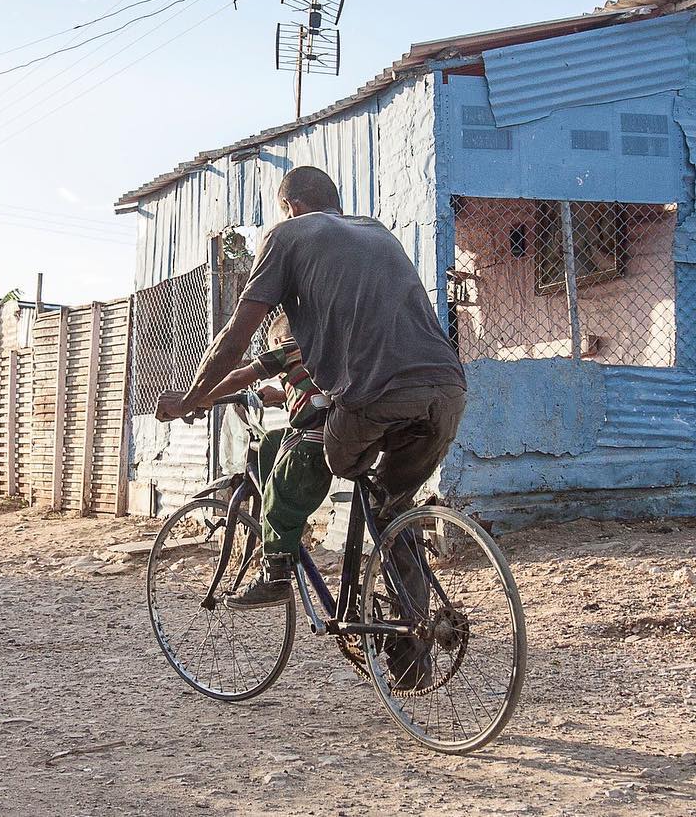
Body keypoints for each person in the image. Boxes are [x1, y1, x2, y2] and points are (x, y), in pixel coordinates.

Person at [157, 166, 467, 680]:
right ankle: (412, 651)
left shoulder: (288, 235)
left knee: (324, 453)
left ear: (291, 207)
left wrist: (191, 397)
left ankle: (285, 572)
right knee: (392, 507)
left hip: (374, 397)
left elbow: (234, 339)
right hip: (447, 390)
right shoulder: (376, 232)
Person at [174, 311, 333, 610]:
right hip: (337, 434)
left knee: (275, 497)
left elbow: (240, 376)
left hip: (311, 442)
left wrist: (201, 398)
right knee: (273, 440)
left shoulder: (289, 346)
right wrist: (282, 395)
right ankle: (289, 529)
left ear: (279, 341)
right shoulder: (320, 347)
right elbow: (313, 392)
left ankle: (275, 576)